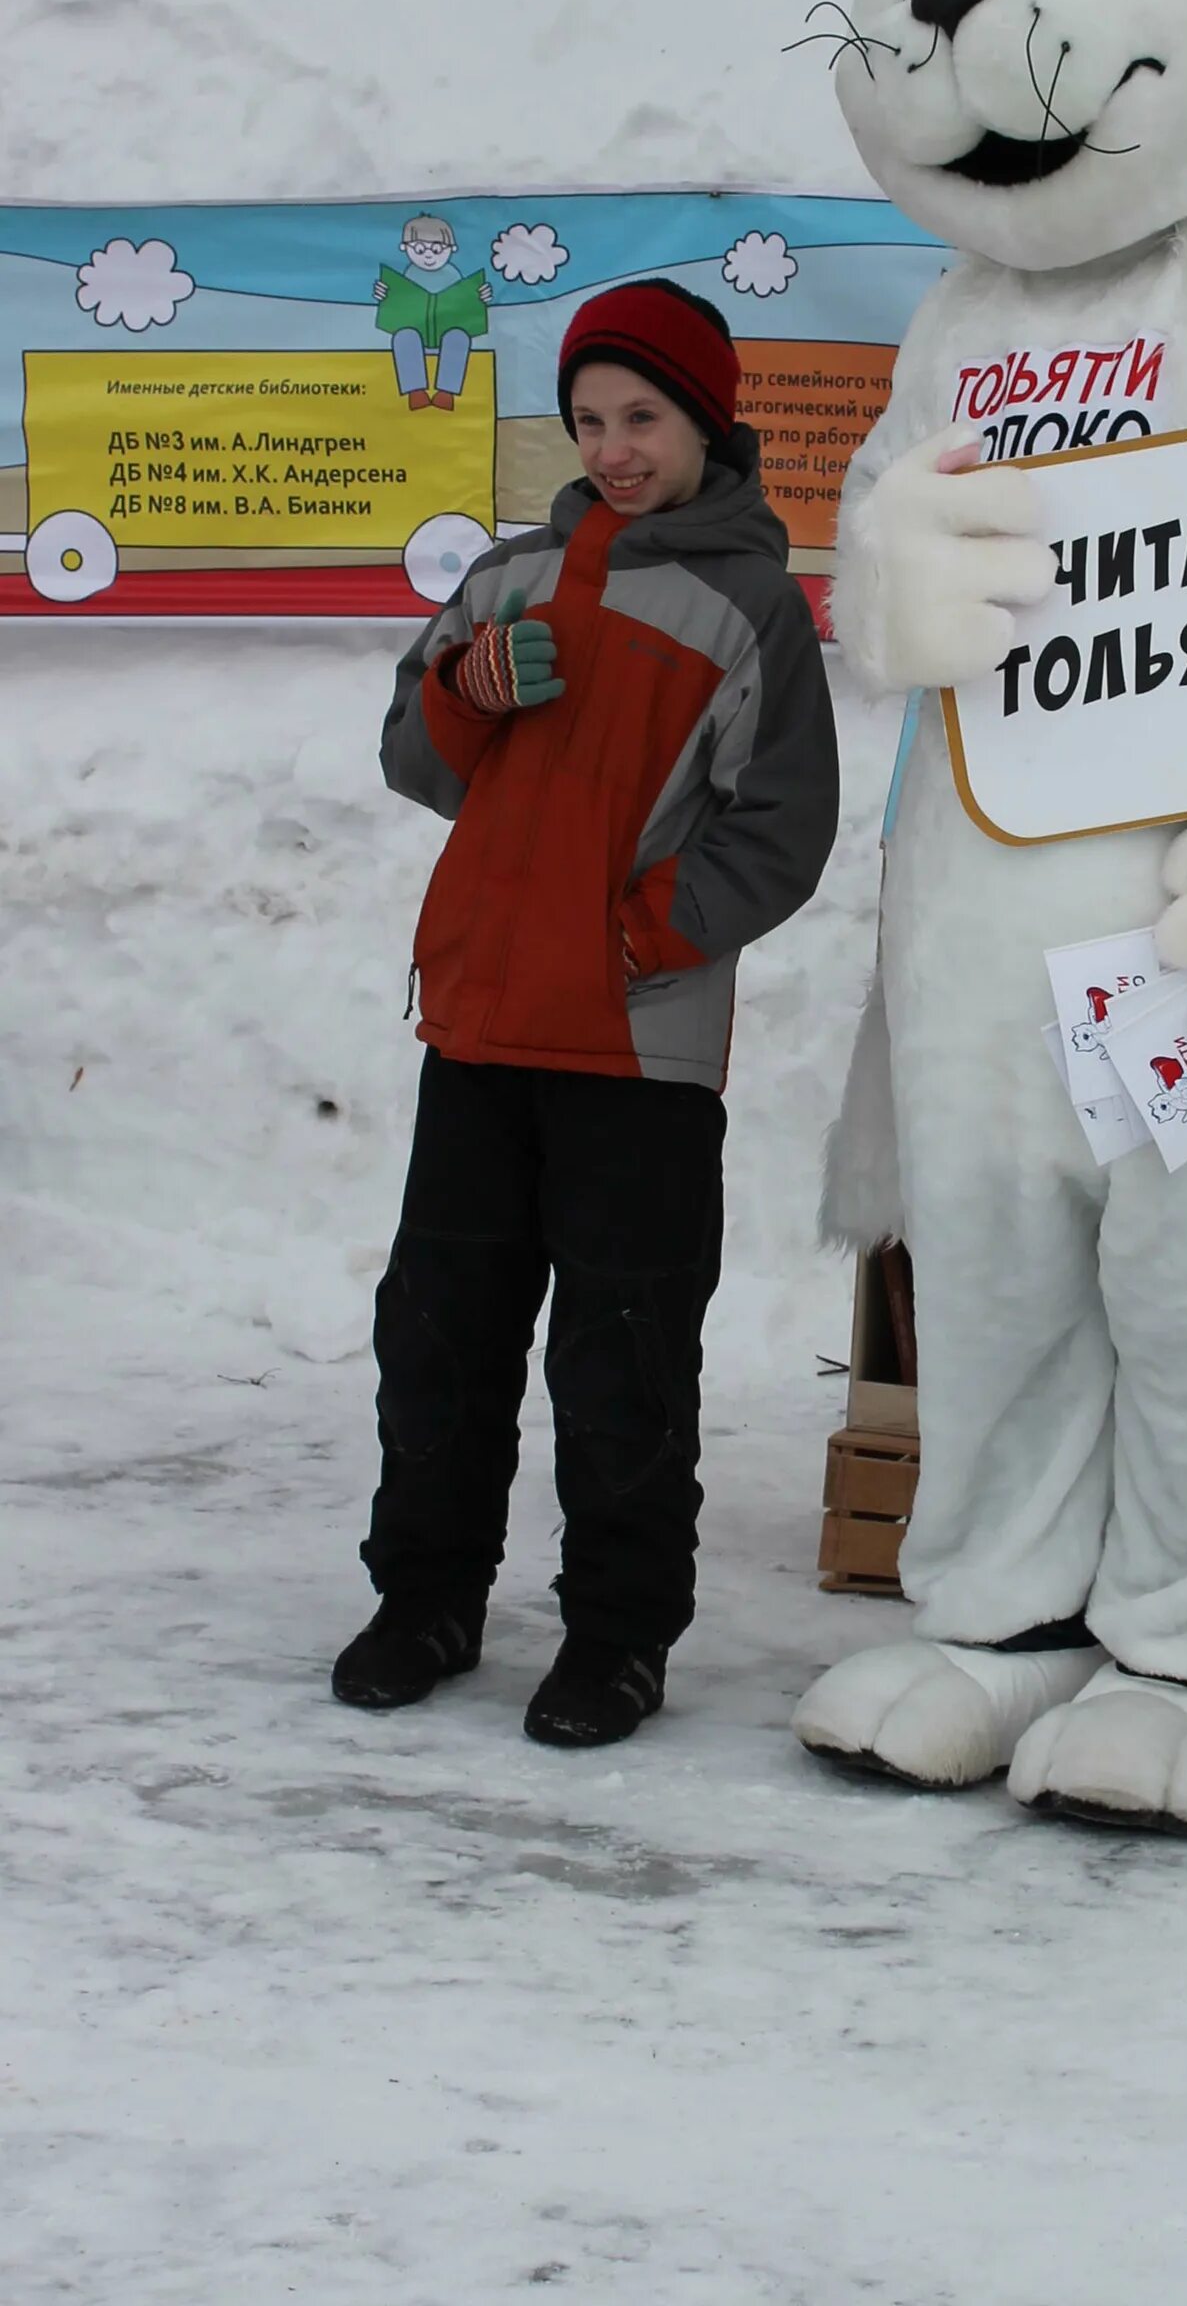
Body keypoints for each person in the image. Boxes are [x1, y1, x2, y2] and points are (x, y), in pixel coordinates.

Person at [333, 279, 839, 1747]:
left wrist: (639, 936)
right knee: (439, 1334)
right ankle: (426, 1598)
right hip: (481, 1034)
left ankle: (618, 1637)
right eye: (590, 420)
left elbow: (781, 825)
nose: (615, 448)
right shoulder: (507, 578)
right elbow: (415, 761)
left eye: (645, 419)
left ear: (704, 424)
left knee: (623, 1355)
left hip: (636, 1051)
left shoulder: (752, 605)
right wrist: (467, 689)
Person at [374, 214, 491, 411]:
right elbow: (398, 304)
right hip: (415, 329)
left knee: (459, 338)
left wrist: (482, 297)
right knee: (403, 337)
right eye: (419, 249)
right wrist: (383, 293)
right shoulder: (410, 273)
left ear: (451, 249)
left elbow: (467, 302)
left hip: (447, 329)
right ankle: (415, 392)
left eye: (437, 249)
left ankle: (446, 392)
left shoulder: (453, 274)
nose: (428, 255)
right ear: (405, 248)